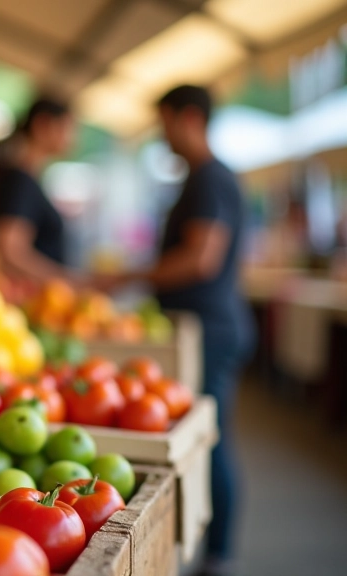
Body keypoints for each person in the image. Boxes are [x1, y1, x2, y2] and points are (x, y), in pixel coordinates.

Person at [100, 85, 255, 576]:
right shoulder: (203, 178)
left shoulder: (210, 179)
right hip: (204, 325)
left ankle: (221, 554)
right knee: (207, 436)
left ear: (188, 118)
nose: (162, 134)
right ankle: (216, 550)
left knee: (210, 438)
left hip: (208, 328)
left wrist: (132, 276)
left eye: (165, 121)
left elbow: (200, 258)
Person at [0, 97, 77, 282]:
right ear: (42, 125)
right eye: (66, 127)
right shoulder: (22, 181)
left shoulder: (22, 177)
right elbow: (10, 250)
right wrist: (62, 280)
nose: (72, 138)